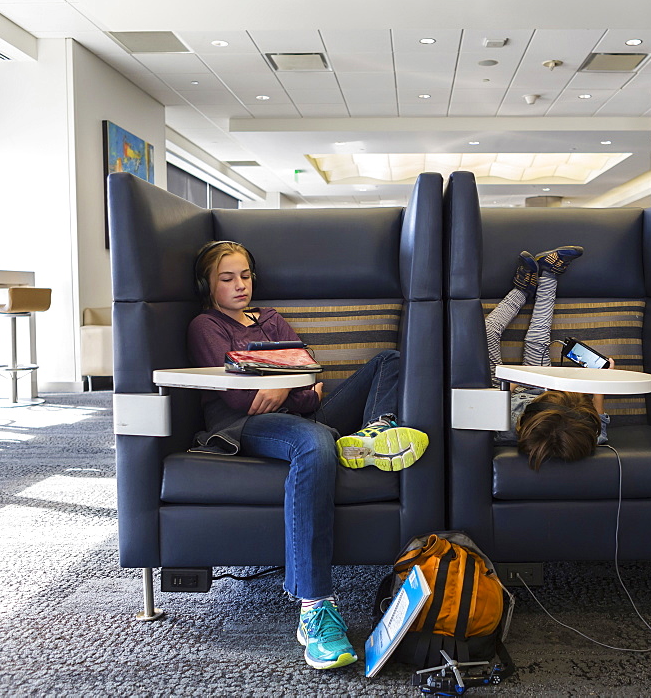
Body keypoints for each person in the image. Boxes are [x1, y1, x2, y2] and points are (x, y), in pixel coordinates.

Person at [186, 240, 428, 670]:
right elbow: (241, 399)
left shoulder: (272, 319)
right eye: (227, 278)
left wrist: (288, 387)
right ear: (208, 284)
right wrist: (295, 388)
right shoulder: (206, 326)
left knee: (390, 359)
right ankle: (314, 607)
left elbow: (310, 370)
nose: (240, 285)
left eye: (245, 276)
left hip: (302, 412)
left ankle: (376, 432)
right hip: (244, 426)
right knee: (314, 443)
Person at [486, 246, 611, 471]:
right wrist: (599, 380)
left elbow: (489, 404)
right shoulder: (590, 435)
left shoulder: (503, 431)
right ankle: (548, 274)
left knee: (487, 332)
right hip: (540, 387)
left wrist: (512, 385)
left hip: (503, 390)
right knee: (537, 339)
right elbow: (599, 424)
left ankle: (521, 290)